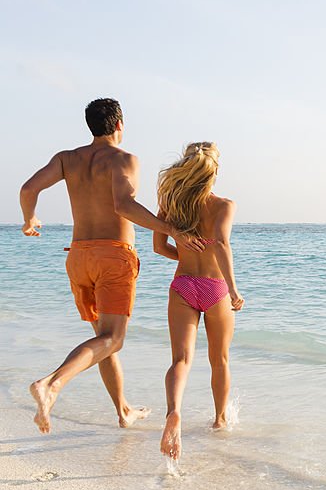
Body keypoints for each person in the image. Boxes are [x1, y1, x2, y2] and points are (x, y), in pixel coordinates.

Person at [20, 98, 205, 434]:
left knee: (102, 341)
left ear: (90, 125)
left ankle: (123, 410)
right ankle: (51, 384)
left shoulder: (67, 159)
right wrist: (171, 230)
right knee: (113, 339)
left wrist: (29, 217)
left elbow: (28, 188)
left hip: (78, 256)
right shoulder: (124, 159)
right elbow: (124, 205)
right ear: (120, 125)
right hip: (112, 256)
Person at [153, 142, 244, 460]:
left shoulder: (171, 202)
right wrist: (232, 289)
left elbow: (158, 246)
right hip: (215, 288)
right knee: (219, 361)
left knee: (181, 360)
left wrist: (185, 255)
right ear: (215, 170)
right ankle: (220, 421)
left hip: (182, 285)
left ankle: (173, 412)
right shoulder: (224, 205)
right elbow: (221, 243)